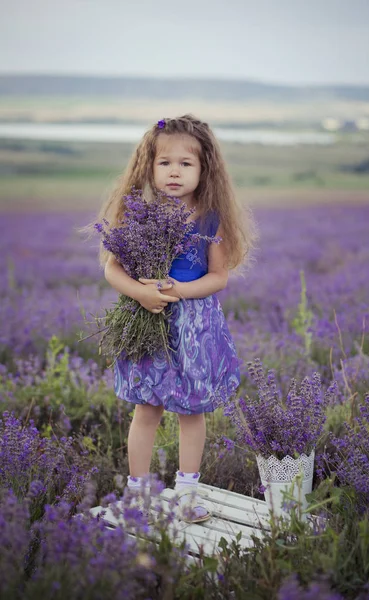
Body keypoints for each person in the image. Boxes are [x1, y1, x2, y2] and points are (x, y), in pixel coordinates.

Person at [97, 114, 254, 523]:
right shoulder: (138, 214)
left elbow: (218, 276)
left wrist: (176, 291)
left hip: (194, 328)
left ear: (204, 170)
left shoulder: (209, 218)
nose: (174, 172)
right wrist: (143, 293)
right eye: (165, 162)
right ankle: (137, 495)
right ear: (149, 166)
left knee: (191, 411)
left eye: (186, 164)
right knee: (146, 409)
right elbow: (113, 268)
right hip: (147, 320)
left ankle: (186, 495)